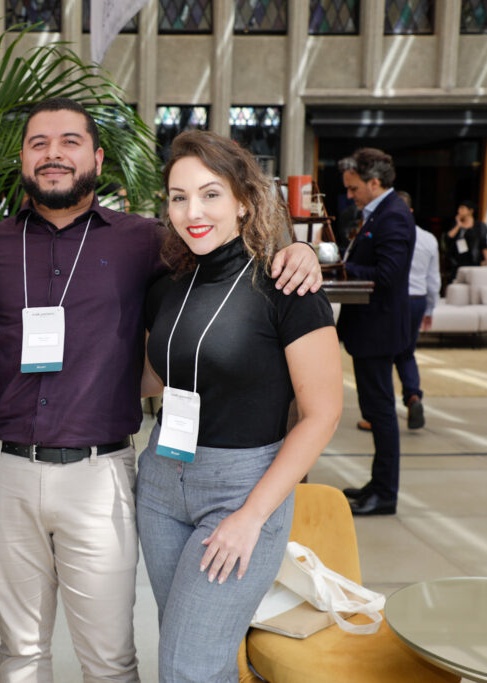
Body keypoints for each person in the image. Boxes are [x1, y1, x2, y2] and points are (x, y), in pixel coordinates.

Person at [0, 97, 323, 682]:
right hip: (8, 470)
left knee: (120, 659)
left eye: (70, 141)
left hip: (103, 476)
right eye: (38, 143)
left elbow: (233, 262)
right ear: (21, 159)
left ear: (97, 158)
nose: (53, 154)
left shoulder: (145, 242)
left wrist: (297, 250)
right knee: (19, 651)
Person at [136, 130, 342, 681]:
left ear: (244, 200)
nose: (192, 211)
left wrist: (252, 516)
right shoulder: (168, 285)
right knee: (193, 652)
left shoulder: (287, 284)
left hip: (242, 488)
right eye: (179, 197)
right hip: (160, 482)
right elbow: (157, 378)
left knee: (187, 665)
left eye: (210, 194)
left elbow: (323, 413)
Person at [337, 148, 416, 517]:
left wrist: (343, 267)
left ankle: (385, 493)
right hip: (370, 328)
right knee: (374, 409)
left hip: (379, 329)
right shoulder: (379, 214)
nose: (350, 196)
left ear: (374, 182)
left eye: (354, 189)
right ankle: (377, 483)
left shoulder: (394, 216)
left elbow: (387, 274)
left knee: (381, 413)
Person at [356, 190, 438, 433]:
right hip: (418, 299)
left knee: (382, 358)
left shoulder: (384, 231)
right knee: (406, 352)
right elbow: (434, 281)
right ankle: (413, 396)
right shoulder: (429, 239)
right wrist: (430, 308)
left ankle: (377, 415)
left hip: (394, 301)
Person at [443, 199, 487, 284]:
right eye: (459, 208)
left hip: (474, 262)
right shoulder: (456, 225)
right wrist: (458, 225)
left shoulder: (479, 226)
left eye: (462, 208)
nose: (459, 211)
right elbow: (448, 238)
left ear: (470, 211)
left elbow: (484, 245)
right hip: (457, 262)